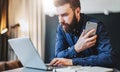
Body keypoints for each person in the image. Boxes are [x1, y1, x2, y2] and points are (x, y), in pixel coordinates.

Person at [49, 0, 113, 67]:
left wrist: (73, 62)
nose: (60, 20)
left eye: (64, 15)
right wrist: (76, 48)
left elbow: (108, 58)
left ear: (77, 11)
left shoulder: (97, 25)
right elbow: (58, 56)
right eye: (58, 15)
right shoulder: (61, 27)